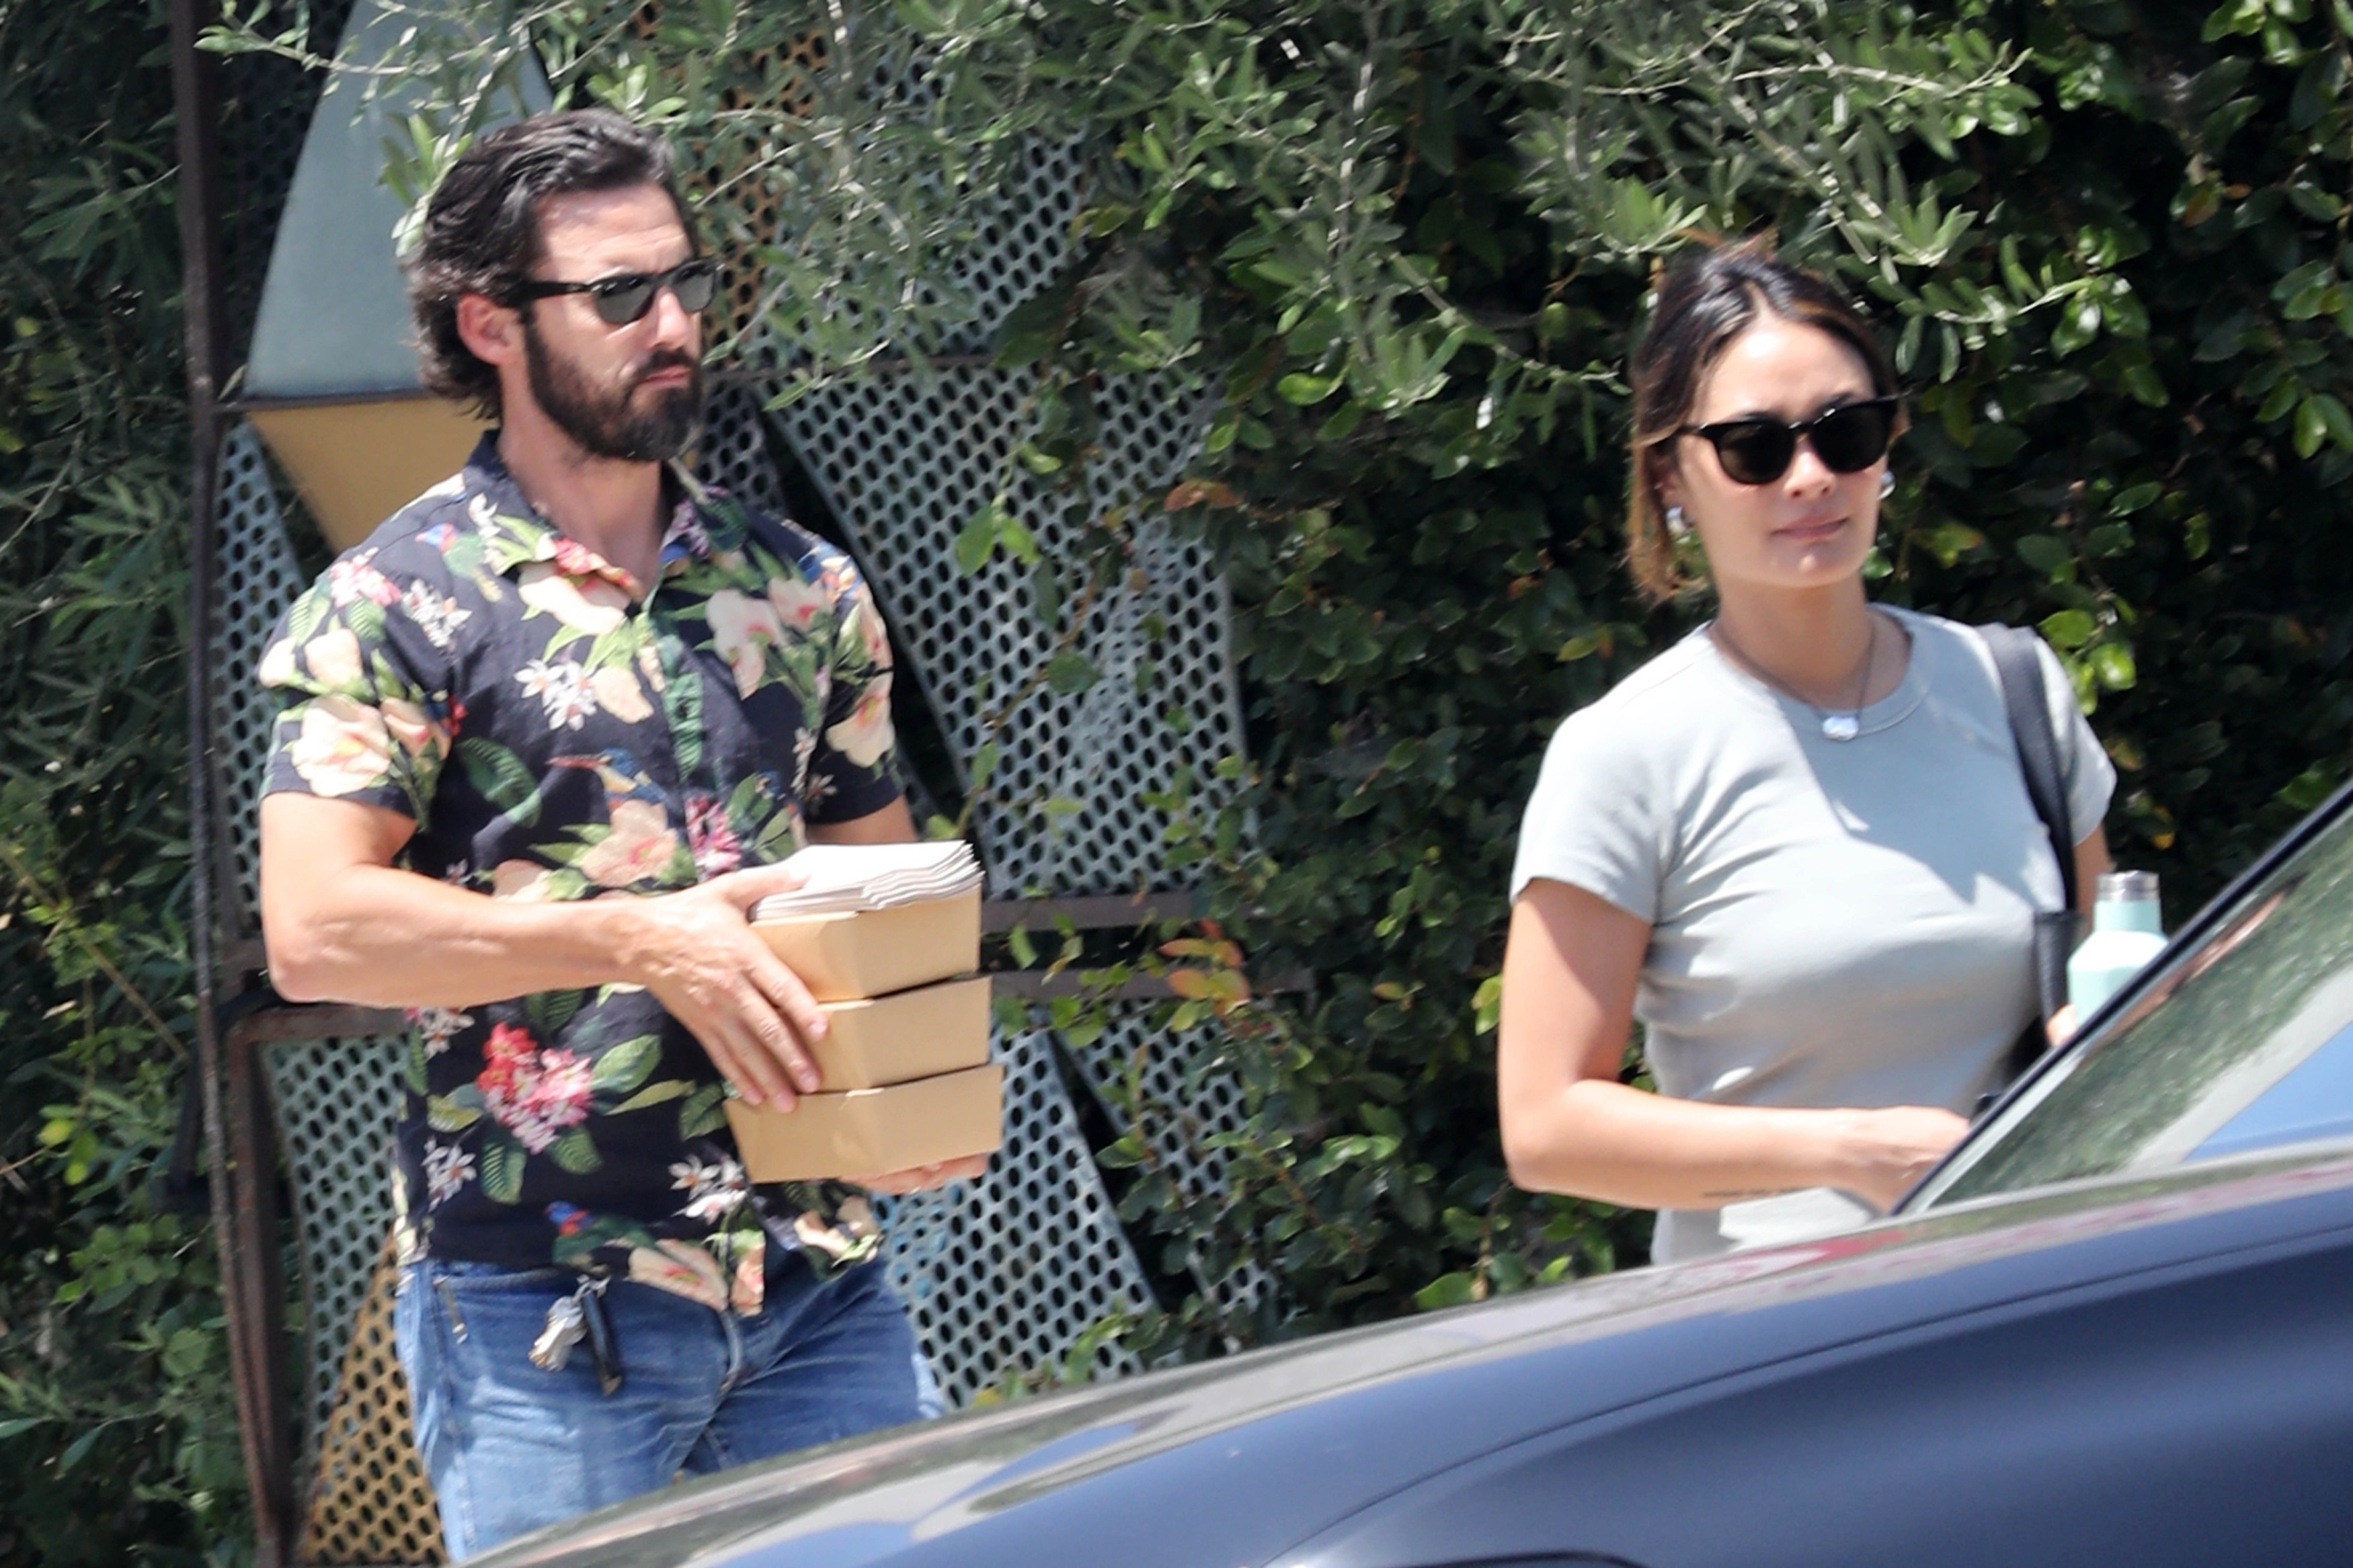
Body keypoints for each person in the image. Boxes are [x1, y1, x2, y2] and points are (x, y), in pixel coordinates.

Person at [254, 109, 981, 1559]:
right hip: (546, 1314)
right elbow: (316, 927)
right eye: (618, 295)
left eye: (686, 286)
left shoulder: (799, 588)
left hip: (817, 1290)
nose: (672, 325)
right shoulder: (397, 604)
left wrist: (908, 1086)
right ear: (491, 324)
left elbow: (879, 896)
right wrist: (628, 934)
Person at [1497, 239, 2115, 1263]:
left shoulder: (2009, 690)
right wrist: (1846, 1151)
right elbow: (1547, 1126)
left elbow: (2119, 993)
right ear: (1669, 477)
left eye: (1848, 431)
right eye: (1756, 448)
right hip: (1782, 1352)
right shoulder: (1626, 754)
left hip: (2033, 1305)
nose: (1812, 477)